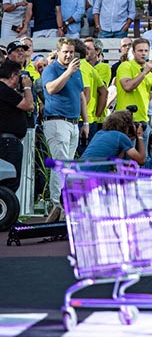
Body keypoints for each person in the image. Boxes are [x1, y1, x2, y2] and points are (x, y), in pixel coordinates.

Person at [42, 38, 89, 220]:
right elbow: (51, 89)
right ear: (58, 52)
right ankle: (57, 205)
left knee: (67, 165)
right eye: (65, 52)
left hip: (73, 123)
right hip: (56, 121)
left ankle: (62, 205)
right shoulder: (52, 69)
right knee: (61, 164)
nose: (69, 55)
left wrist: (85, 123)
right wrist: (68, 72)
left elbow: (81, 96)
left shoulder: (77, 71)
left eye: (71, 52)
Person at [115, 38, 152, 167]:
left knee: (143, 159)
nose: (143, 54)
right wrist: (144, 72)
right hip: (125, 120)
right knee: (127, 160)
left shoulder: (149, 71)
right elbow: (127, 86)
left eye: (146, 51)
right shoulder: (125, 66)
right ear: (133, 51)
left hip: (143, 120)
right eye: (140, 51)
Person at [0, 60, 34, 192]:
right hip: (7, 143)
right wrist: (27, 87)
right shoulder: (4, 89)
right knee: (10, 182)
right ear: (14, 75)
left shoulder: (6, 91)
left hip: (7, 141)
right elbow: (29, 106)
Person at [79, 110, 146, 169]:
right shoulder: (120, 136)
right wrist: (140, 136)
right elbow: (141, 161)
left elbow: (118, 159)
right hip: (90, 176)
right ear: (126, 126)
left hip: (78, 169)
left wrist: (128, 139)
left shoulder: (100, 133)